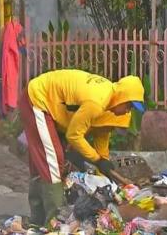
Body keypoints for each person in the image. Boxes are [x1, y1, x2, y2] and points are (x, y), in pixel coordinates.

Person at [19, 69, 145, 226]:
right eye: (129, 106)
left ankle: (37, 220)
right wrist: (97, 160)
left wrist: (104, 168)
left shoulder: (109, 105)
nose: (128, 111)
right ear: (122, 98)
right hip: (38, 99)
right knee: (53, 161)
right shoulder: (97, 102)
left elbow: (102, 138)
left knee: (43, 163)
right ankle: (55, 223)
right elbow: (74, 135)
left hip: (52, 106)